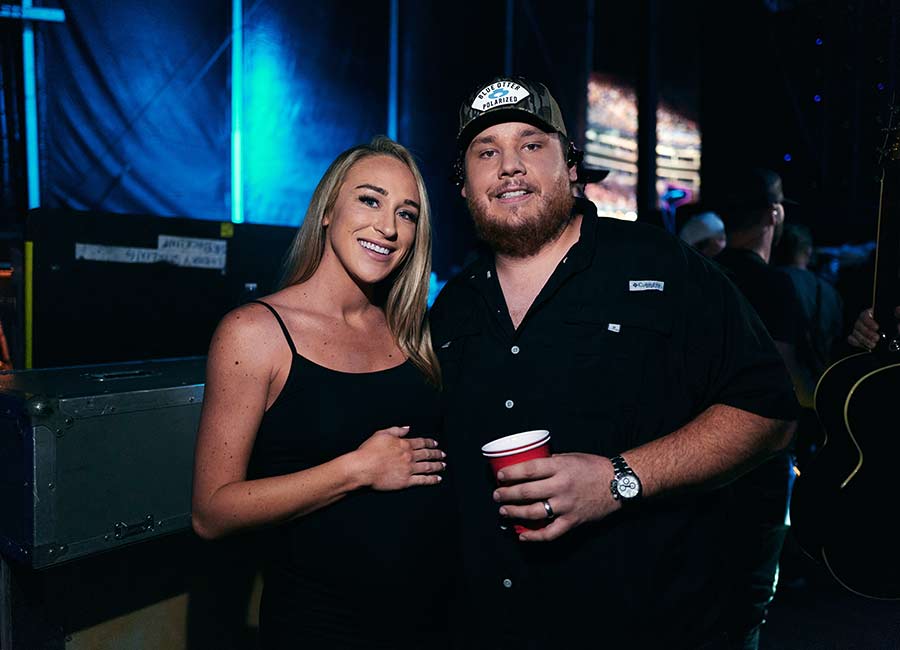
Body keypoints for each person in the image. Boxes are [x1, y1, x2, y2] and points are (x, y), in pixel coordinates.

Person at [430, 75, 797, 649]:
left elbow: (770, 413)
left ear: (571, 166)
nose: (509, 166)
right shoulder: (451, 309)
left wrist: (619, 479)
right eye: (486, 151)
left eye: (531, 144)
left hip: (643, 628)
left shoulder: (662, 266)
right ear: (463, 183)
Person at [191, 136, 454, 649]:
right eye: (370, 200)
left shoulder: (410, 330)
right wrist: (357, 470)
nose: (388, 227)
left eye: (408, 213)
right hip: (323, 627)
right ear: (328, 210)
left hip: (432, 619)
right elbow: (212, 512)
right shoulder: (255, 332)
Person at [710, 168, 808, 649]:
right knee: (748, 604)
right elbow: (787, 384)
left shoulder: (704, 273)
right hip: (760, 465)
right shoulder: (775, 286)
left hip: (704, 461)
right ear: (774, 213)